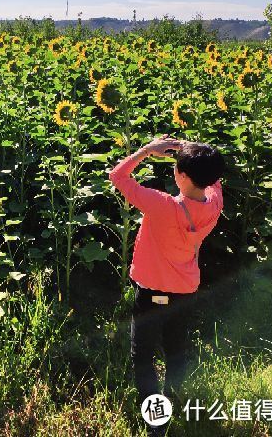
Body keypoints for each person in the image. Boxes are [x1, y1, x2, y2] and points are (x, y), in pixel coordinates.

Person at [108, 135, 224, 434]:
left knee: (143, 354)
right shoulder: (213, 205)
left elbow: (117, 176)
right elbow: (215, 181)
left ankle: (156, 422)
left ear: (180, 175)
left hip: (151, 292)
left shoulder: (161, 206)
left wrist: (147, 150)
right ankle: (175, 399)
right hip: (185, 291)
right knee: (175, 348)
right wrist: (195, 150)